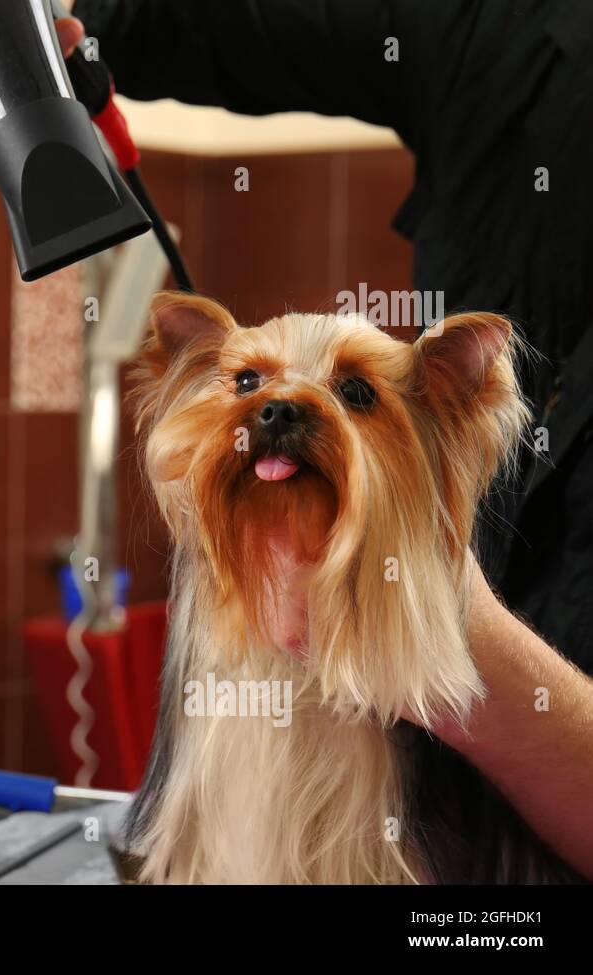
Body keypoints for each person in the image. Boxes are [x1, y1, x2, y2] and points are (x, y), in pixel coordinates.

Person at [51, 0, 593, 879]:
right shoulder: (490, 29)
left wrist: (450, 637)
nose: (278, 408)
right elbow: (199, 25)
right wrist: (50, 21)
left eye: (350, 393)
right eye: (250, 385)